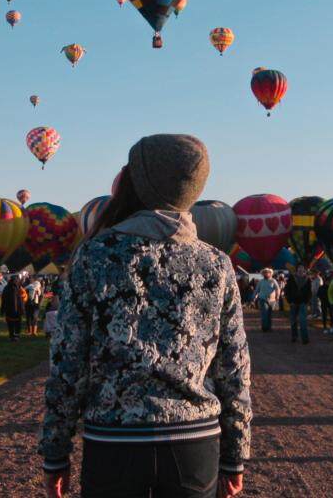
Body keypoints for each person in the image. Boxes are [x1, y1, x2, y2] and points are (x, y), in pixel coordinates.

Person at [38, 134, 251, 498]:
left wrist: (55, 451)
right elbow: (234, 368)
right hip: (195, 440)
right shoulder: (216, 264)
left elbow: (68, 361)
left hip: (113, 439)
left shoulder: (95, 255)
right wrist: (235, 455)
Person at [284, 265, 311, 344]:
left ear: (304, 270)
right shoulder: (292, 278)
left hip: (303, 302)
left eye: (302, 269)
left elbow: (309, 291)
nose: (300, 270)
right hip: (293, 302)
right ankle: (294, 336)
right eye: (299, 268)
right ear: (297, 270)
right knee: (293, 320)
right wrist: (289, 300)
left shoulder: (307, 279)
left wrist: (307, 301)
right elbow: (287, 289)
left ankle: (305, 338)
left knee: (303, 321)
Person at [254, 268, 280, 332]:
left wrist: (277, 296)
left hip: (272, 300)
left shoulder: (273, 281)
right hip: (262, 299)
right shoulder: (261, 281)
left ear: (271, 273)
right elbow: (257, 290)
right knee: (264, 313)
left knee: (269, 314)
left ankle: (269, 327)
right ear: (263, 274)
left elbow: (277, 289)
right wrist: (254, 296)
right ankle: (264, 328)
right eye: (265, 272)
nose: (266, 273)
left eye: (268, 272)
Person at [0, 275, 25, 341]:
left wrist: (2, 309)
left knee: (10, 323)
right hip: (17, 310)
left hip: (9, 309)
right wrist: (22, 309)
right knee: (17, 323)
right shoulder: (19, 288)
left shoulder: (7, 288)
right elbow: (22, 299)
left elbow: (3, 299)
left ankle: (12, 336)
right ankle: (16, 336)